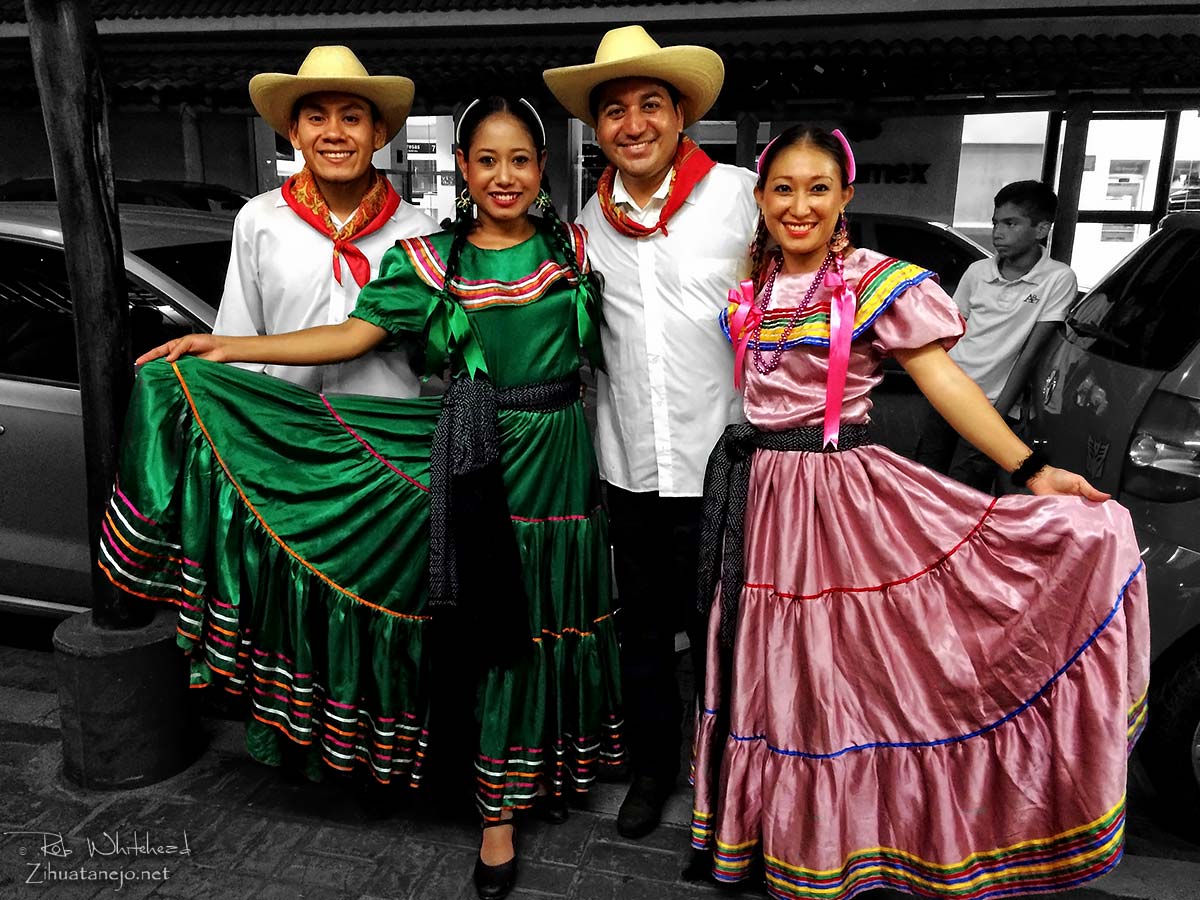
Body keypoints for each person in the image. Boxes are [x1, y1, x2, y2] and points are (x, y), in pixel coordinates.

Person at [101, 96, 622, 900]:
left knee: (555, 615)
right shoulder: (427, 259)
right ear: (462, 171)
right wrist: (226, 344)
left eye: (520, 160)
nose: (504, 176)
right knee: (497, 625)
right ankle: (495, 815)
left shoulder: (578, 244)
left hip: (562, 458)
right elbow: (348, 337)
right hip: (477, 456)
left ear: (543, 168)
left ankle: (536, 772)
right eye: (486, 161)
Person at [689, 125, 1149, 899]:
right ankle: (786, 838)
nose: (799, 204)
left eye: (817, 189)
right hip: (761, 498)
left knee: (845, 673)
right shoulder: (754, 287)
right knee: (780, 670)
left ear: (845, 198)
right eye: (783, 188)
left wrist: (1032, 470)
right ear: (761, 198)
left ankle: (840, 846)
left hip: (838, 501)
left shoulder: (872, 281)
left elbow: (947, 383)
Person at [543, 25, 759, 839]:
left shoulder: (742, 194)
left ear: (680, 114)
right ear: (597, 129)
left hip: (729, 461)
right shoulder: (584, 226)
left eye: (649, 105)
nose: (632, 124)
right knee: (640, 633)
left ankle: (733, 773)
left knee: (729, 632)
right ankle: (653, 768)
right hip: (629, 465)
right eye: (613, 111)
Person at [216, 45, 435, 397]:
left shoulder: (421, 235)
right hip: (284, 434)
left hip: (384, 438)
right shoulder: (259, 221)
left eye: (351, 118)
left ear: (377, 134)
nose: (334, 133)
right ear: (294, 133)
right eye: (317, 118)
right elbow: (238, 345)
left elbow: (433, 360)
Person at [913, 180, 1078, 492]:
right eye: (995, 223)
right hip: (947, 392)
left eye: (1010, 223)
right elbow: (950, 333)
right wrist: (935, 387)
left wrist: (999, 412)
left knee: (966, 487)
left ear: (1041, 229)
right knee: (925, 478)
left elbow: (1030, 353)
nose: (998, 232)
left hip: (991, 403)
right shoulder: (977, 272)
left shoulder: (1057, 279)